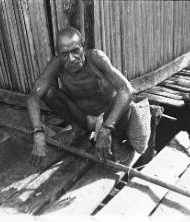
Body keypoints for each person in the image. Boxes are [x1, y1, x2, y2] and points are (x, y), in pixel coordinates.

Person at [27, 27, 146, 167]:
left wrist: (106, 128)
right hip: (83, 117)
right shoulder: (56, 64)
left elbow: (127, 90)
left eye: (75, 51)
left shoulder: (96, 58)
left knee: (123, 101)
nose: (71, 59)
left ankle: (114, 141)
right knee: (49, 93)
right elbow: (33, 96)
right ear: (58, 54)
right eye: (64, 54)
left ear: (83, 47)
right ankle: (78, 128)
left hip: (109, 118)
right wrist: (38, 132)